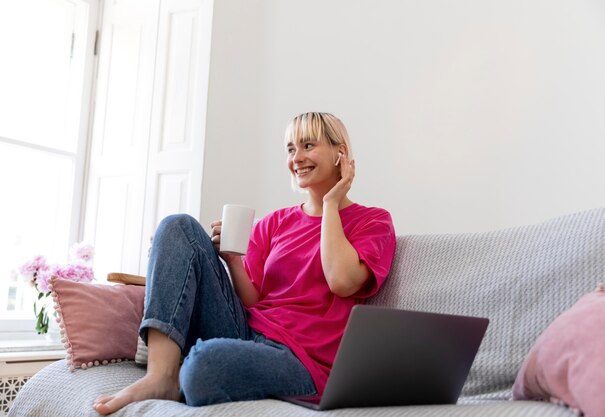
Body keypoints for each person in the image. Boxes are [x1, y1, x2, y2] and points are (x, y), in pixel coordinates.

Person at [93, 112, 396, 414]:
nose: (297, 158)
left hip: (302, 360)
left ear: (340, 153)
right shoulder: (274, 223)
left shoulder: (373, 221)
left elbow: (342, 281)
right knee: (178, 226)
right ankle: (161, 376)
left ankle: (190, 368)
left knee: (203, 366)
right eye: (291, 149)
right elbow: (254, 300)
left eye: (307, 145)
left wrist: (330, 203)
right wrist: (233, 261)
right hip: (246, 332)